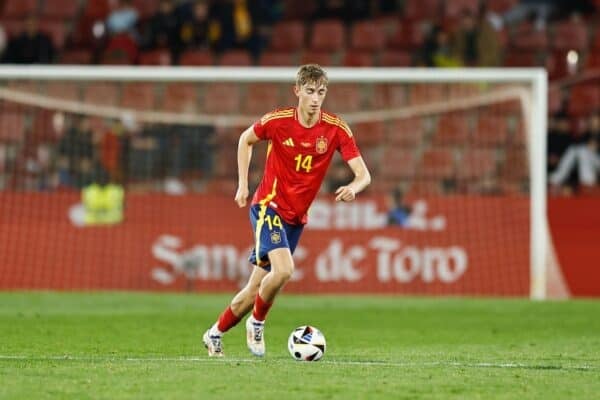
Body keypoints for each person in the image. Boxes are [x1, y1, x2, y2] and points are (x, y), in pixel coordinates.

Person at [202, 64, 371, 357]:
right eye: (310, 91)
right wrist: (242, 185)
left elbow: (364, 175)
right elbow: (246, 140)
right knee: (284, 271)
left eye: (321, 92)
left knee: (256, 288)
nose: (316, 98)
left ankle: (214, 333)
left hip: (295, 218)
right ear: (297, 91)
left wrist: (353, 188)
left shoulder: (335, 128)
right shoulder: (279, 120)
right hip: (268, 206)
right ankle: (257, 323)